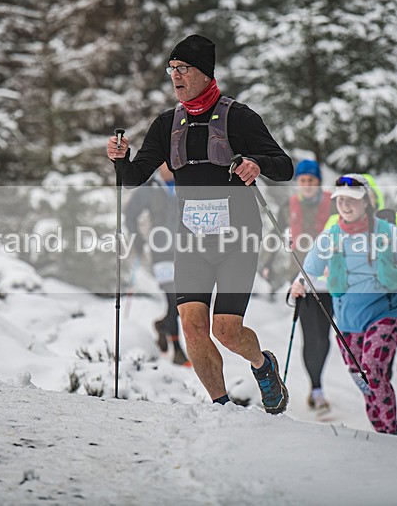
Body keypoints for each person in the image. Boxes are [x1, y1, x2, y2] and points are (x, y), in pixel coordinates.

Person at [106, 34, 294, 413]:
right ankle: (222, 407)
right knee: (192, 326)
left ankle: (263, 365)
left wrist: (256, 164)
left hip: (237, 240)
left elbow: (284, 167)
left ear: (205, 73)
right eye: (171, 69)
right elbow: (133, 178)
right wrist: (121, 159)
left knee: (226, 330)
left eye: (183, 69)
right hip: (191, 241)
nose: (175, 76)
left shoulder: (239, 118)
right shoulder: (166, 124)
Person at [291, 174, 397, 434]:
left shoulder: (389, 232)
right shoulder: (330, 236)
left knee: (372, 368)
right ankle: (382, 431)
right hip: (348, 321)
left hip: (387, 314)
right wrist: (299, 285)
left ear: (366, 202)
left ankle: (391, 434)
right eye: (340, 199)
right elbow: (309, 271)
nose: (345, 205)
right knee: (363, 377)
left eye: (351, 199)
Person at [124, 163, 190, 366]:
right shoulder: (150, 188)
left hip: (186, 250)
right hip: (161, 251)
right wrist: (137, 238)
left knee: (182, 300)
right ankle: (177, 349)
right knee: (173, 297)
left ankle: (163, 325)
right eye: (165, 162)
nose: (170, 165)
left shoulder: (187, 182)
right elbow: (130, 214)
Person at [283, 159, 334, 412]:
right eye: (302, 180)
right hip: (301, 278)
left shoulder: (333, 203)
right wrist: (270, 264)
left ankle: (318, 382)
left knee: (323, 338)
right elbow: (278, 234)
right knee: (309, 335)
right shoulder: (290, 205)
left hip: (329, 278)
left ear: (318, 181)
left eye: (311, 180)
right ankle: (316, 388)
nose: (306, 185)